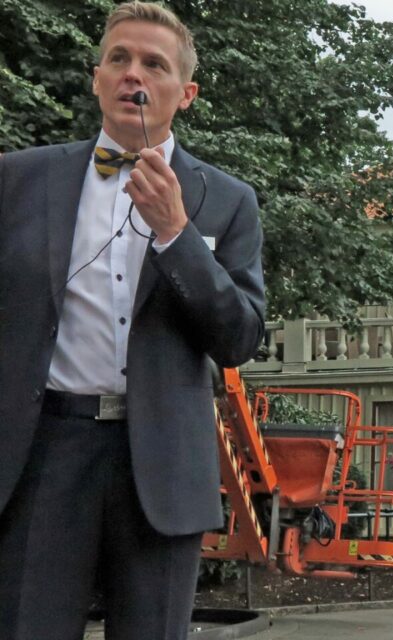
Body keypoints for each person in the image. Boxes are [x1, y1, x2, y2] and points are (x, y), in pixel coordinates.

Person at [0, 3, 265, 639]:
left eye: (153, 63)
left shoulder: (226, 200)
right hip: (43, 453)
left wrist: (177, 233)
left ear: (186, 92)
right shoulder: (16, 181)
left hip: (162, 465)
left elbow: (240, 338)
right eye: (118, 59)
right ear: (96, 78)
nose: (132, 75)